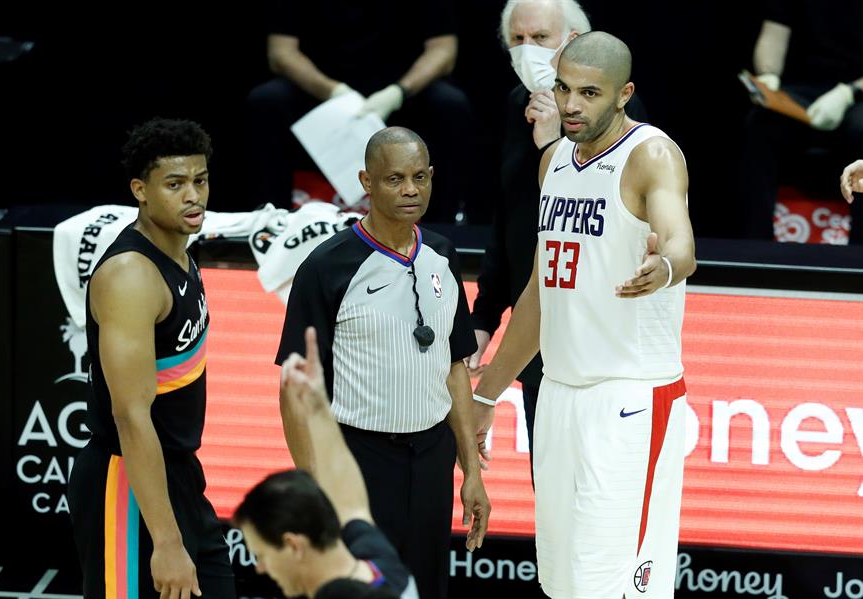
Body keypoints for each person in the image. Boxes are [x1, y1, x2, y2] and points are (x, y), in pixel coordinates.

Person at [472, 32, 696, 598]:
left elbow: (680, 244)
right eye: (563, 89)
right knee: (563, 583)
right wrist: (485, 395)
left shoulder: (652, 154)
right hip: (560, 395)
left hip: (631, 398)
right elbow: (539, 298)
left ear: (624, 94)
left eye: (589, 93)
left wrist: (665, 268)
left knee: (618, 587)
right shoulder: (554, 166)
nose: (571, 105)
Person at [276, 127, 490, 599]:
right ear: (366, 182)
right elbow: (294, 392)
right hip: (358, 458)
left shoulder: (443, 255)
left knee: (425, 587)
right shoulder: (327, 267)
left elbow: (454, 367)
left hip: (432, 459)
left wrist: (471, 471)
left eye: (419, 177)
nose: (410, 189)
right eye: (394, 179)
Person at [468, 0, 648, 478]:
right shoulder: (515, 105)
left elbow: (594, 220)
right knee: (548, 486)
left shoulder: (621, 119)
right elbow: (508, 223)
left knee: (599, 490)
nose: (527, 51)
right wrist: (483, 319)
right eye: (518, 40)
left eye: (541, 39)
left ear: (572, 42)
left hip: (597, 335)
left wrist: (554, 145)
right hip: (536, 322)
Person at [67, 118, 236, 598]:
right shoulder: (130, 278)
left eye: (200, 181)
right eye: (175, 184)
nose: (193, 196)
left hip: (177, 473)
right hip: (127, 484)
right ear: (140, 190)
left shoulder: (182, 253)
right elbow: (130, 415)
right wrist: (165, 541)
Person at [247, 0, 478, 223]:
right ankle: (272, 223)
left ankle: (442, 228)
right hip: (320, 91)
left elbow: (443, 51)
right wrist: (334, 91)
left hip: (401, 93)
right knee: (267, 101)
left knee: (451, 105)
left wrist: (398, 93)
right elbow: (281, 53)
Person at [235, 327, 415, 599]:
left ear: (294, 545)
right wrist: (317, 405)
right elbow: (351, 505)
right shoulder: (378, 562)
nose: (260, 568)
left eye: (262, 554)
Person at [739, 0, 863, 243]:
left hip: (856, 92)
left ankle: (859, 252)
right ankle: (756, 246)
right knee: (759, 126)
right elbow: (774, 36)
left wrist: (849, 93)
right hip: (803, 94)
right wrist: (768, 76)